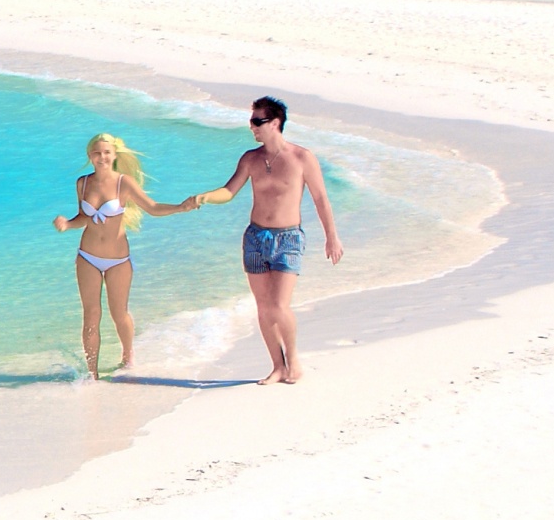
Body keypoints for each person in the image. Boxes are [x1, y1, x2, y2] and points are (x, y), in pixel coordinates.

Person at [185, 95, 342, 384]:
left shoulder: (302, 158)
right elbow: (229, 190)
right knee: (263, 307)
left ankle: (293, 359)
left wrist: (332, 237)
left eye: (258, 121)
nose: (253, 127)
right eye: (252, 122)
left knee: (279, 305)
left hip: (289, 238)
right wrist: (205, 197)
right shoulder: (251, 158)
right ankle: (277, 367)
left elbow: (321, 198)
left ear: (276, 123)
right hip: (255, 237)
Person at [53, 131, 190, 380]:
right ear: (89, 155)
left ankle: (128, 356)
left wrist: (180, 207)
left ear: (115, 155)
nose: (101, 157)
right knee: (91, 314)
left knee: (119, 313)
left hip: (118, 260)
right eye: (97, 152)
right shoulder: (82, 183)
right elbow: (83, 217)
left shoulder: (123, 183)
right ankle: (91, 374)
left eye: (106, 152)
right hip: (87, 256)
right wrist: (67, 224)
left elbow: (152, 207)